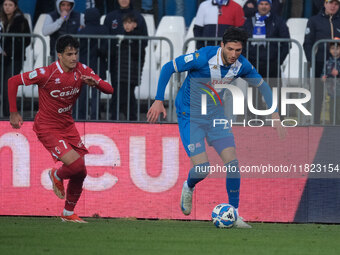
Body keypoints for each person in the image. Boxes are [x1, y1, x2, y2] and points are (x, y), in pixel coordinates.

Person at [147, 27, 286, 228]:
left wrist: (274, 113)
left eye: (238, 50)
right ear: (222, 45)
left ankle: (235, 213)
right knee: (203, 168)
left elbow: (263, 86)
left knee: (233, 164)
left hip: (215, 117)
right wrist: (159, 99)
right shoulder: (202, 57)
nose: (234, 55)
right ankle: (189, 185)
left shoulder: (241, 65)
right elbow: (169, 67)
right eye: (230, 49)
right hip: (190, 116)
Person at [7, 35, 114, 223]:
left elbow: (110, 89)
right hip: (47, 127)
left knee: (81, 172)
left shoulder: (82, 71)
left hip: (67, 125)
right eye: (69, 54)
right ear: (59, 56)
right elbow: (12, 81)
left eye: (76, 53)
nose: (74, 58)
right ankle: (55, 174)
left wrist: (95, 83)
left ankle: (67, 213)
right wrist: (14, 112)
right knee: (76, 165)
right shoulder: (46, 73)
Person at [242, 0, 290, 113]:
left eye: (266, 4)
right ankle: (255, 119)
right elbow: (241, 42)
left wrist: (278, 60)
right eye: (261, 4)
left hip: (272, 63)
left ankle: (279, 119)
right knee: (253, 93)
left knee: (276, 92)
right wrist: (246, 60)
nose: (263, 7)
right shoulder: (249, 22)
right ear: (257, 5)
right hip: (253, 63)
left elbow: (286, 43)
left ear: (270, 6)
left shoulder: (278, 21)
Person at [104, 0, 148, 120]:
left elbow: (144, 41)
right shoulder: (110, 17)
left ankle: (130, 118)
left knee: (129, 92)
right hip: (115, 62)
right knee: (116, 90)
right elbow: (105, 40)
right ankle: (115, 117)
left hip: (133, 63)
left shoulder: (138, 17)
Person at [304, 0, 340, 124]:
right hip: (319, 62)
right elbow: (307, 43)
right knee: (317, 94)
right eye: (330, 3)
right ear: (324, 4)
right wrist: (311, 60)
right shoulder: (313, 20)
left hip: (337, 65)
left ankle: (335, 122)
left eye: (336, 4)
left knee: (337, 96)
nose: (333, 6)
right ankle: (315, 122)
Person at [73, 7, 108, 120]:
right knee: (95, 95)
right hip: (98, 66)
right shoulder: (104, 30)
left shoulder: (81, 31)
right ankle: (95, 117)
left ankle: (80, 116)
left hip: (83, 67)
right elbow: (105, 49)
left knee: (81, 94)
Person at [0, 0, 31, 118]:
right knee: (3, 87)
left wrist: (9, 51)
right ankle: (4, 114)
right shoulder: (1, 19)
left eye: (10, 5)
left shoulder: (21, 20)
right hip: (2, 59)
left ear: (15, 7)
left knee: (7, 87)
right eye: (5, 5)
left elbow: (26, 40)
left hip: (15, 59)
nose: (7, 8)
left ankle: (8, 115)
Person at [322, 39, 340, 125]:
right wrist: (323, 77)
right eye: (333, 48)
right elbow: (324, 73)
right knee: (332, 109)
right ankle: (332, 124)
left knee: (338, 109)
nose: (335, 50)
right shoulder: (327, 62)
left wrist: (338, 73)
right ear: (330, 50)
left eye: (337, 48)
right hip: (331, 91)